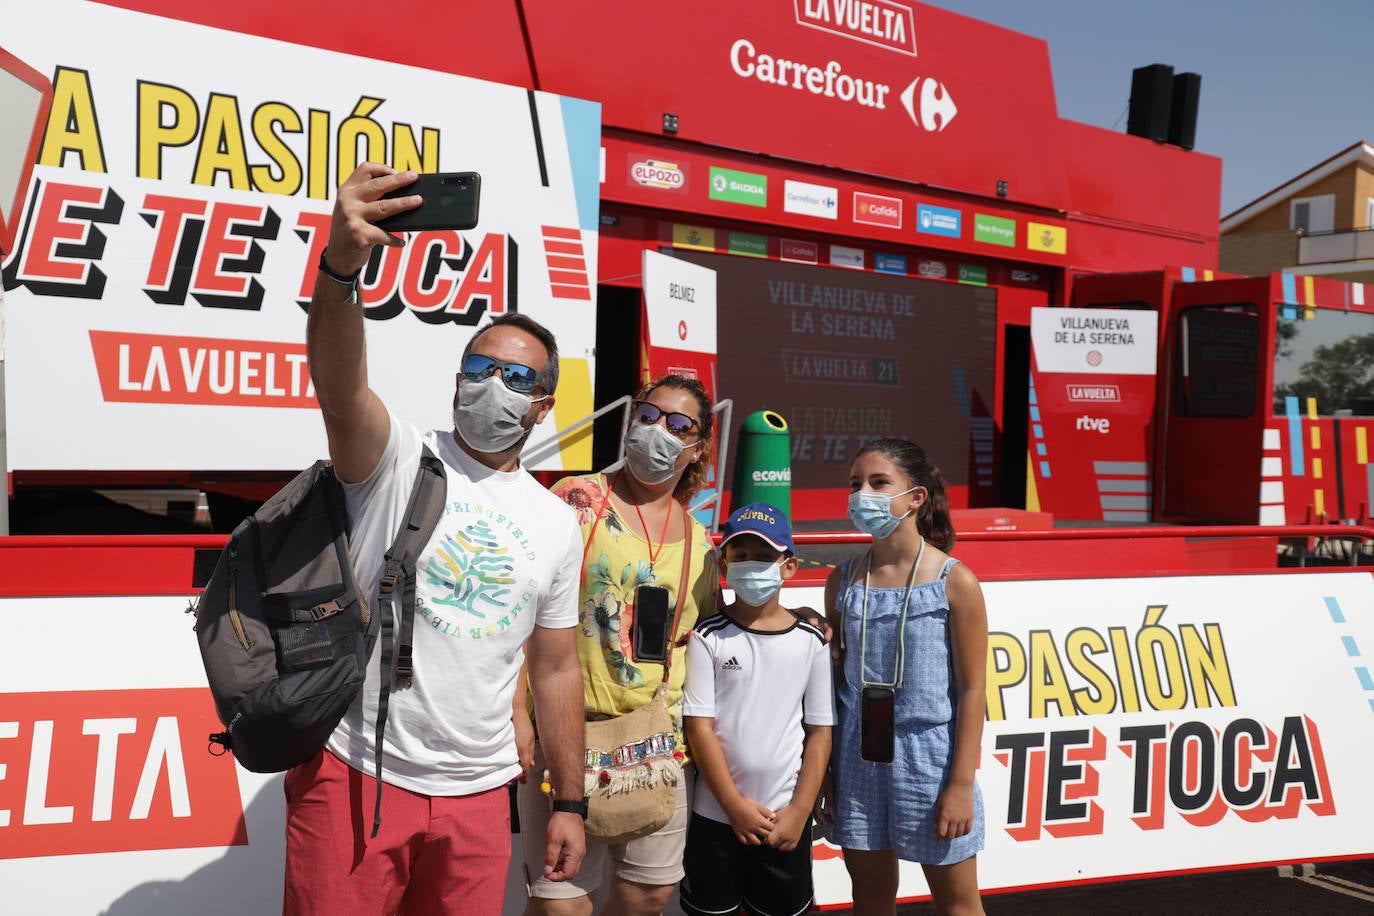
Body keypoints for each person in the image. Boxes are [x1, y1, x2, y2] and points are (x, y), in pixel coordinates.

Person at [288, 162, 587, 914]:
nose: (494, 386)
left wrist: (571, 802)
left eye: (517, 379)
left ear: (544, 406)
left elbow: (553, 671)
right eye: (481, 368)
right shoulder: (395, 459)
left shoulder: (556, 522)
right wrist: (340, 268)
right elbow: (339, 384)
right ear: (457, 380)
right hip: (355, 774)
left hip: (481, 798)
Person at [517, 373, 720, 916]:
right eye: (649, 415)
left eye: (680, 425)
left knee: (647, 895)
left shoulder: (702, 544)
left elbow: (707, 636)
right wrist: (519, 710)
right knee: (561, 901)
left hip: (657, 745)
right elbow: (525, 610)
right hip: (566, 733)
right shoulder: (576, 501)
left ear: (697, 447)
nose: (659, 431)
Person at [817, 437, 988, 916]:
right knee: (871, 899)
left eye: (878, 482)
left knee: (958, 903)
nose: (862, 494)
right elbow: (833, 685)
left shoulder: (955, 581)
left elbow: (974, 691)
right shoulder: (843, 579)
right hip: (857, 758)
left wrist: (959, 784)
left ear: (916, 497)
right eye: (855, 484)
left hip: (931, 762)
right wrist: (827, 772)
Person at [679, 501, 834, 916]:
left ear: (789, 566)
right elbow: (700, 729)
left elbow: (820, 733)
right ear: (724, 565)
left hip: (787, 819)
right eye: (741, 556)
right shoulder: (707, 636)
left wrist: (800, 811)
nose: (751, 565)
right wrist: (732, 806)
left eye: (764, 556)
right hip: (715, 817)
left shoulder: (811, 641)